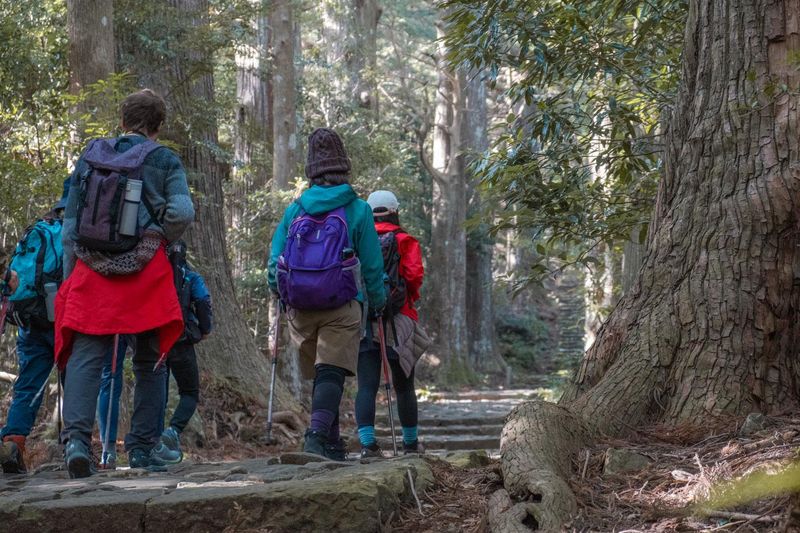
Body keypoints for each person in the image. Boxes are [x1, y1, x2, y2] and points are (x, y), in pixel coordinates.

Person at [56, 89, 194, 478]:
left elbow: (70, 223)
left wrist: (71, 275)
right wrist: (158, 238)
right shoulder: (165, 159)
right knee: (150, 360)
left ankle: (78, 443)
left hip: (92, 269)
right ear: (158, 126)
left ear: (123, 121)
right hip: (146, 273)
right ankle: (142, 448)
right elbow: (183, 210)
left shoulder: (92, 155)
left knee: (87, 355)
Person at [268, 128, 386, 460]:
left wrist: (279, 290)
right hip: (342, 302)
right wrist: (377, 301)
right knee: (331, 371)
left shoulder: (295, 210)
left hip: (300, 305)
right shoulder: (359, 210)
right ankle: (316, 438)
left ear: (312, 170)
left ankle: (332, 445)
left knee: (322, 374)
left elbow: (275, 257)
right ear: (343, 167)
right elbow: (373, 267)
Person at [356, 190, 430, 458]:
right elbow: (414, 276)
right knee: (404, 384)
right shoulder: (405, 240)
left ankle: (368, 445)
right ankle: (410, 444)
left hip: (364, 319)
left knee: (366, 384)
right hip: (401, 320)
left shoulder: (358, 240)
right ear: (395, 211)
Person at [0, 190, 66, 473]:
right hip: (61, 320)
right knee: (76, 380)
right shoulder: (73, 235)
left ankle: (14, 442)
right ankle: (76, 446)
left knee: (27, 385)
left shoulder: (35, 232)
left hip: (28, 318)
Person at [150, 239, 213, 464]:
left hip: (155, 340)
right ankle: (173, 431)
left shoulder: (155, 273)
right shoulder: (190, 276)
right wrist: (205, 329)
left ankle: (153, 438)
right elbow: (203, 301)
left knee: (158, 389)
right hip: (182, 340)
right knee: (190, 392)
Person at [96, 335, 129, 469]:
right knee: (110, 377)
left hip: (98, 322)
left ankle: (108, 451)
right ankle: (108, 451)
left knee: (108, 377)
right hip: (118, 324)